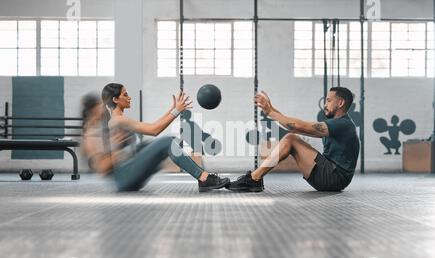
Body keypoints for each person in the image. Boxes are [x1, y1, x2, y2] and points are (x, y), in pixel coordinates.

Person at [81, 84, 229, 192]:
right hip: (123, 179)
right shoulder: (117, 121)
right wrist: (176, 112)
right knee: (167, 142)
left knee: (148, 145)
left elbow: (152, 126)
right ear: (116, 99)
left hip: (127, 178)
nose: (129, 97)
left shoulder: (117, 120)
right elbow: (154, 130)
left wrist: (173, 109)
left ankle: (202, 176)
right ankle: (203, 178)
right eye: (125, 94)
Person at [227, 87, 360, 192]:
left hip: (334, 178)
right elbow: (294, 127)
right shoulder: (338, 124)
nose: (325, 105)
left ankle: (254, 178)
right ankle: (255, 177)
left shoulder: (343, 125)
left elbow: (300, 127)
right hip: (331, 174)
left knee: (291, 139)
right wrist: (271, 109)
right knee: (292, 136)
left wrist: (270, 112)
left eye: (329, 101)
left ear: (340, 103)